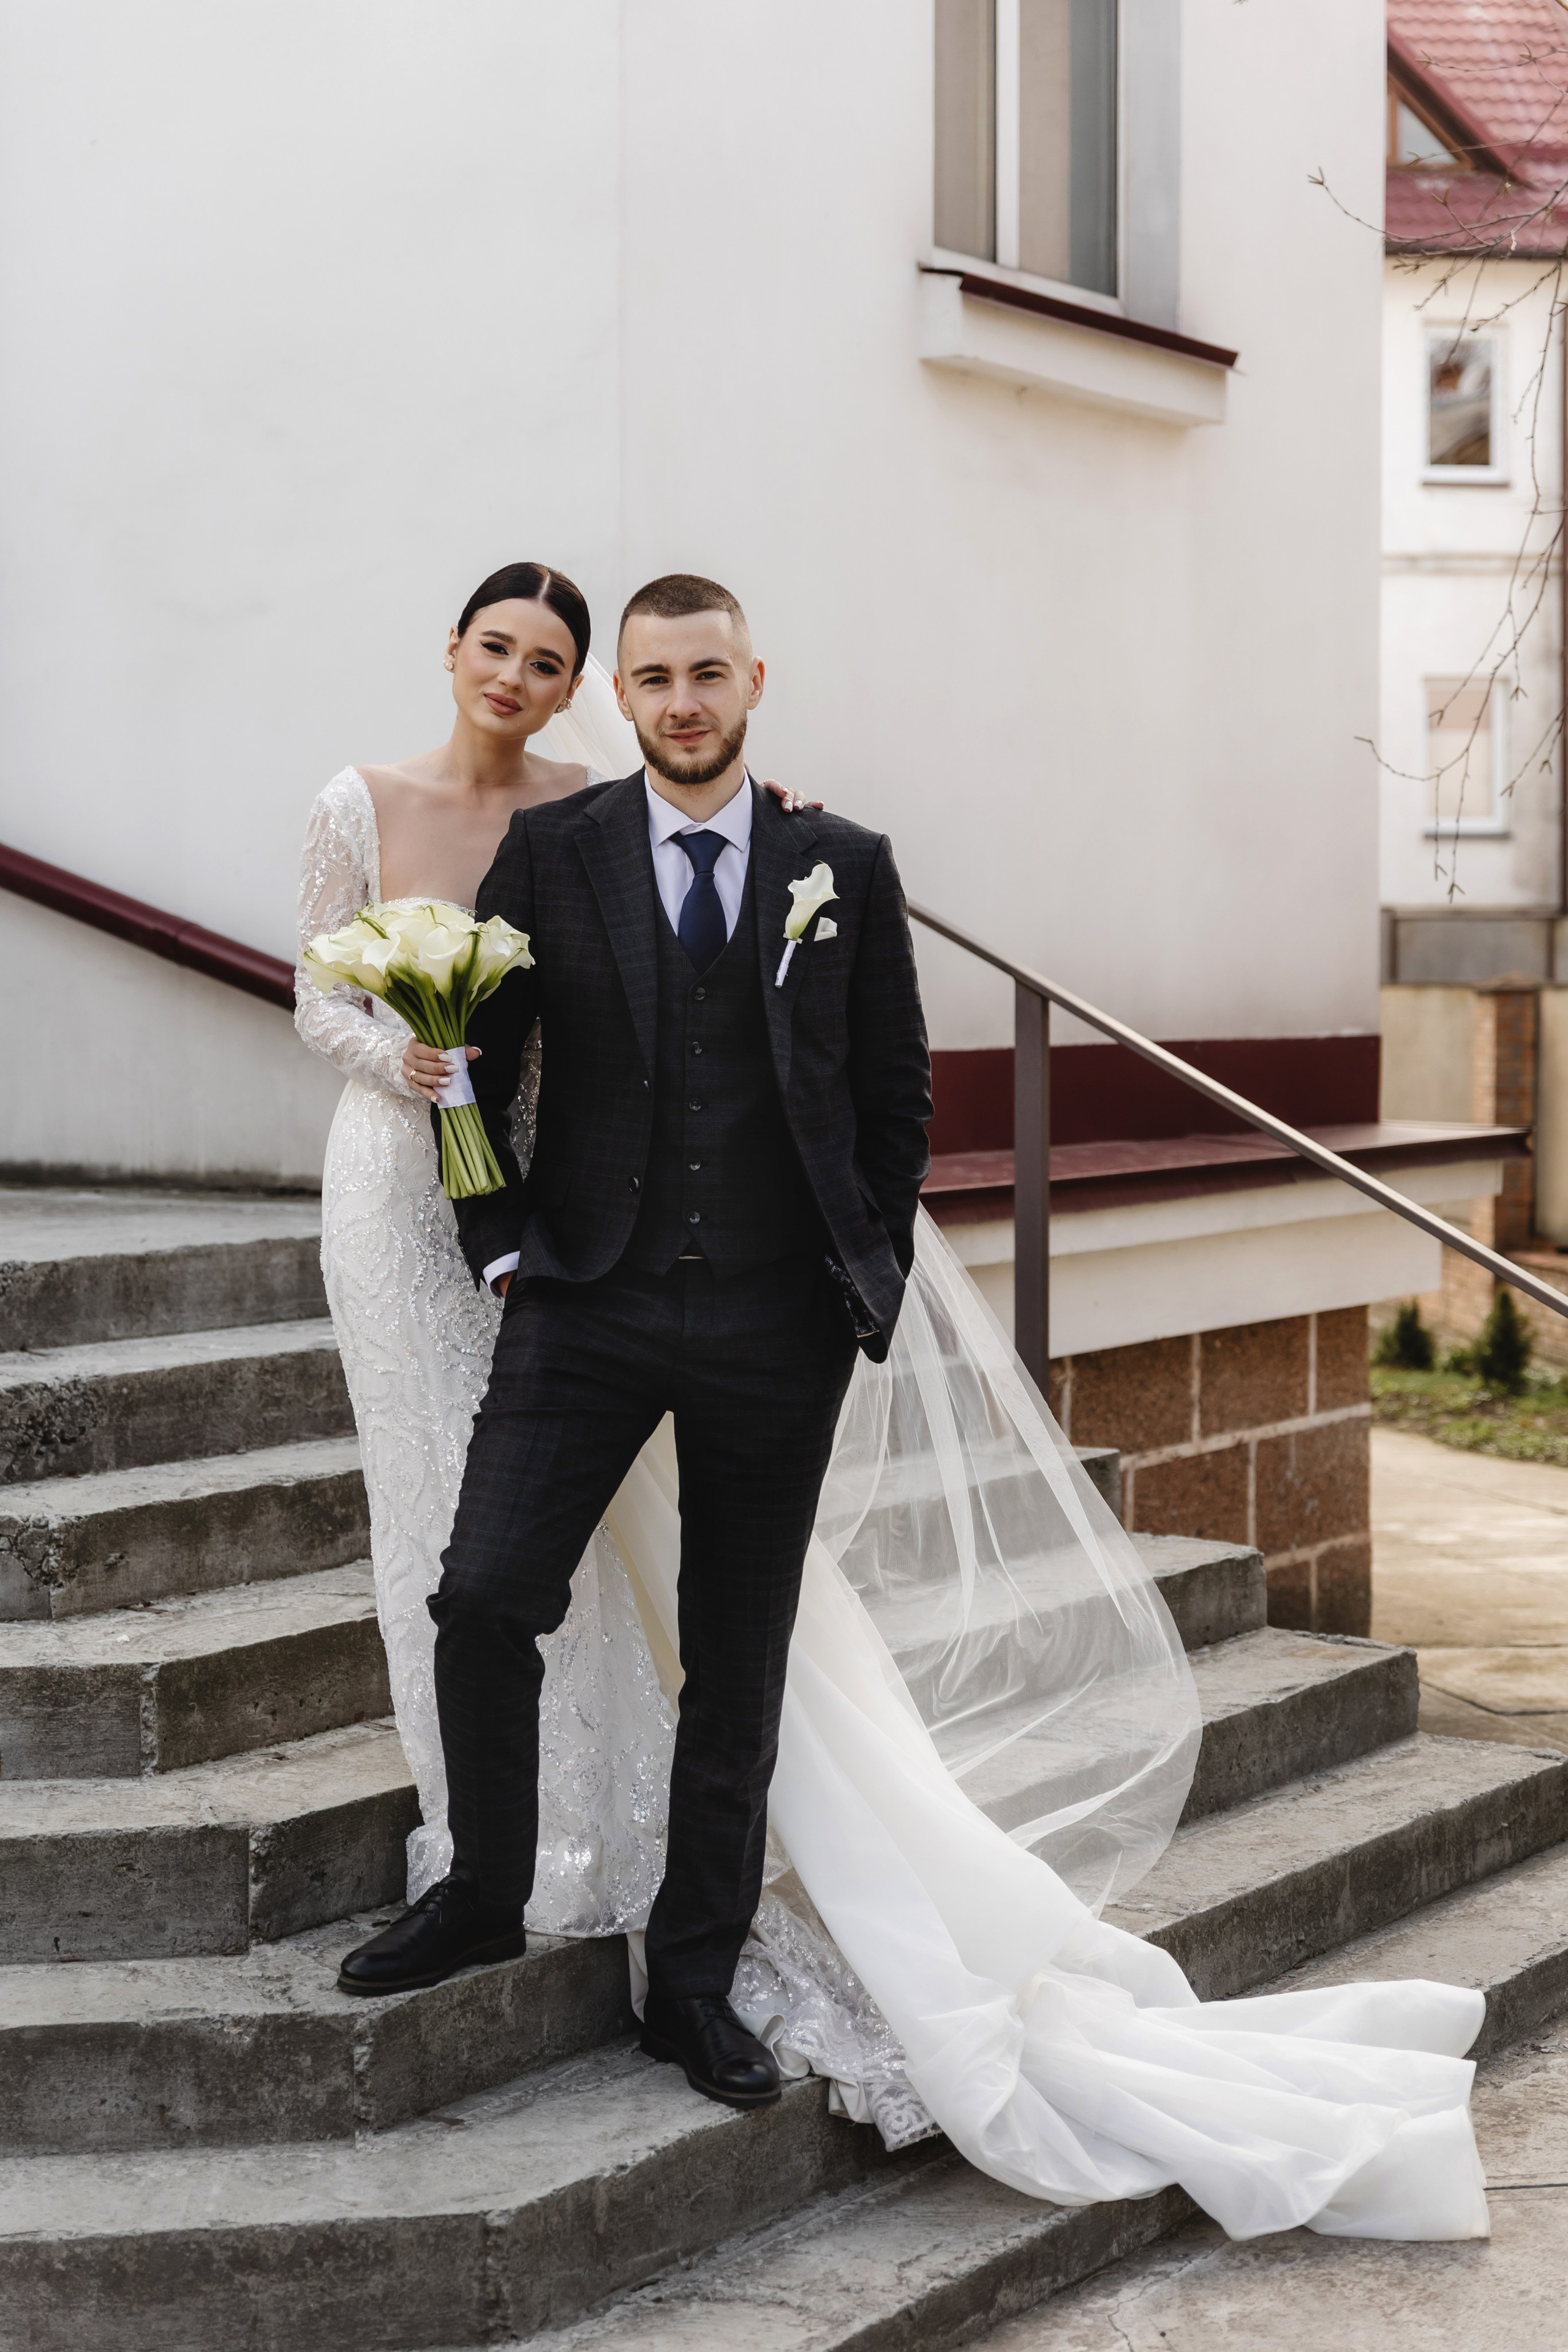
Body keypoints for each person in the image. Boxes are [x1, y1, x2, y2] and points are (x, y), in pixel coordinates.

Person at [331, 573, 1490, 2245]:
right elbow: (482, 1052)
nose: (679, 702)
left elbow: (894, 1090)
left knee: (738, 1657)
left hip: (770, 1326)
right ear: (625, 697)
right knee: (484, 1592)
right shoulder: (557, 851)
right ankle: (483, 1896)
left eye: (705, 673)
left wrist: (850, 1285)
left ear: (752, 680)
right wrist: (498, 1241)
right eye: (652, 679)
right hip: (583, 1303)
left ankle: (695, 1981)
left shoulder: (842, 867)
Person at [295, 560, 809, 1920]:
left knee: (570, 1519)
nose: (512, 679)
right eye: (494, 648)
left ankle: (604, 1805)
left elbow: (705, 841)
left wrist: (781, 819)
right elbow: (312, 989)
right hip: (396, 1177)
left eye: (543, 664)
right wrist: (398, 1056)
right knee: (434, 1507)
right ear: (452, 647)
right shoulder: (359, 802)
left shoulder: (592, 803)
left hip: (563, 1185)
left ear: (577, 688)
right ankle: (478, 1833)